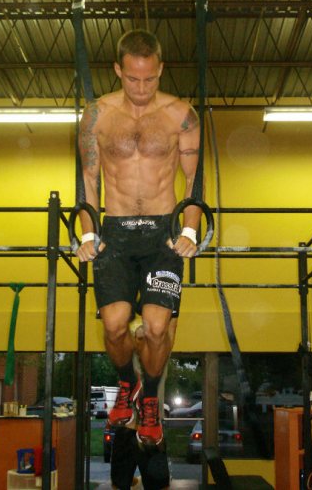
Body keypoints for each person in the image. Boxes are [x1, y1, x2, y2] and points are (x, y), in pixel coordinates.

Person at [76, 29, 202, 446]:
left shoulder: (181, 115)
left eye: (150, 79)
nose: (142, 88)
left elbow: (194, 182)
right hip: (115, 233)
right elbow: (88, 181)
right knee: (115, 327)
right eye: (133, 79)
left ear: (161, 69)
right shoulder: (96, 115)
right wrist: (88, 233)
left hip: (163, 235)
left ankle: (149, 397)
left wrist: (189, 229)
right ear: (118, 69)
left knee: (155, 327)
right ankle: (126, 383)